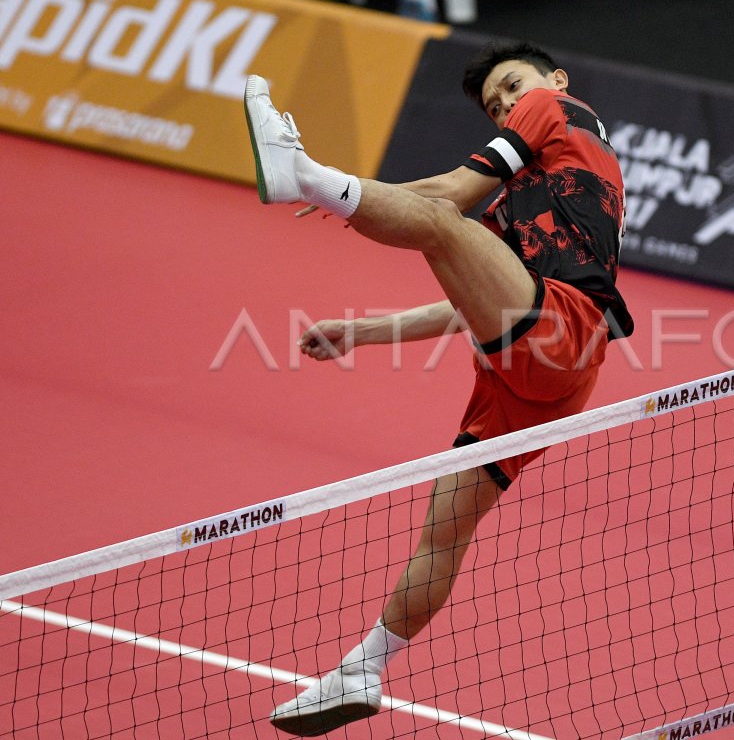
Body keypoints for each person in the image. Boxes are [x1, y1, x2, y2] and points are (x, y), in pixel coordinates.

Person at [246, 41, 634, 734]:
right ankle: (361, 669)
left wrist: (318, 182)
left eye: (512, 88)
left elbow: (447, 202)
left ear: (554, 81)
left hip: (566, 325)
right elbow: (472, 296)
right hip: (541, 372)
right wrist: (362, 331)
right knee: (444, 533)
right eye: (495, 104)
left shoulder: (557, 110)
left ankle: (296, 170)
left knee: (441, 225)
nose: (508, 104)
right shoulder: (521, 200)